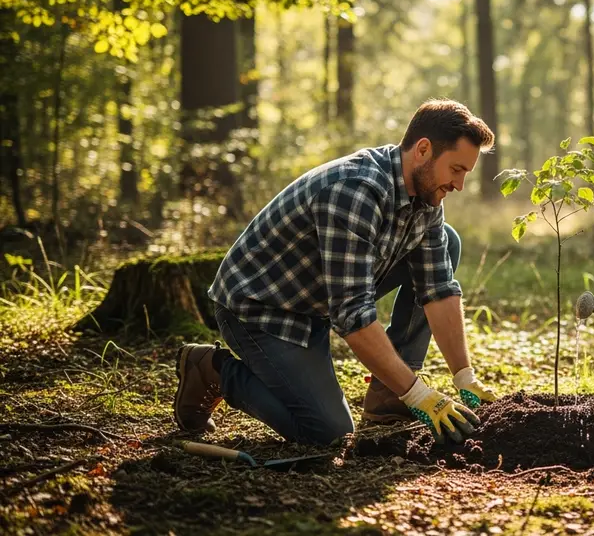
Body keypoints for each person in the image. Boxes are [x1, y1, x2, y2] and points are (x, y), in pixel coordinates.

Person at [172, 99, 499, 446]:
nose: (460, 184)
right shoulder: (355, 190)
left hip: (316, 298)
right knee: (327, 432)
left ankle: (389, 393)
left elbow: (438, 288)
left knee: (445, 242)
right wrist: (419, 395)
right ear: (423, 150)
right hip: (261, 309)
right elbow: (352, 314)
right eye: (456, 169)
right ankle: (212, 369)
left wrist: (464, 376)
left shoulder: (426, 194)